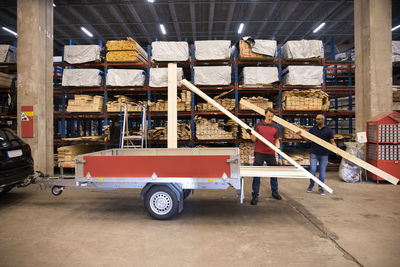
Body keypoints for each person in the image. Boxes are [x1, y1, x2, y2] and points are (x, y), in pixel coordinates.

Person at [246, 107, 281, 205]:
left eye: (272, 116)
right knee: (257, 174)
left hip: (270, 153)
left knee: (273, 174)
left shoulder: (276, 127)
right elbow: (254, 140)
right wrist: (250, 134)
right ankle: (255, 195)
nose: (270, 117)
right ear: (265, 114)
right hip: (259, 152)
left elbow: (277, 140)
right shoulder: (258, 125)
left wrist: (278, 151)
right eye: (269, 115)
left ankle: (275, 192)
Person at [297, 114, 336, 196]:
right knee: (312, 171)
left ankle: (321, 188)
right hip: (314, 153)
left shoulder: (328, 130)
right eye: (316, 119)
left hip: (324, 154)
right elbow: (308, 139)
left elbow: (332, 141)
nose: (317, 120)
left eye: (318, 119)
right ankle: (311, 185)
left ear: (323, 120)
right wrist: (300, 135)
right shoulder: (312, 129)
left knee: (322, 172)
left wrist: (336, 150)